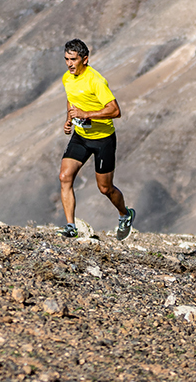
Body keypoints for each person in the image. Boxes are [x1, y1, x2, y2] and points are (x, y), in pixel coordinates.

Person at [58, 38, 135, 241]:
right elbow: (71, 99)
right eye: (66, 59)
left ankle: (125, 214)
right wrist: (69, 120)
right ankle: (70, 226)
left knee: (105, 188)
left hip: (103, 140)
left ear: (85, 59)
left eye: (73, 59)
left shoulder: (96, 80)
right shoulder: (67, 78)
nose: (69, 64)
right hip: (81, 137)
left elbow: (115, 110)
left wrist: (86, 114)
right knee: (65, 176)